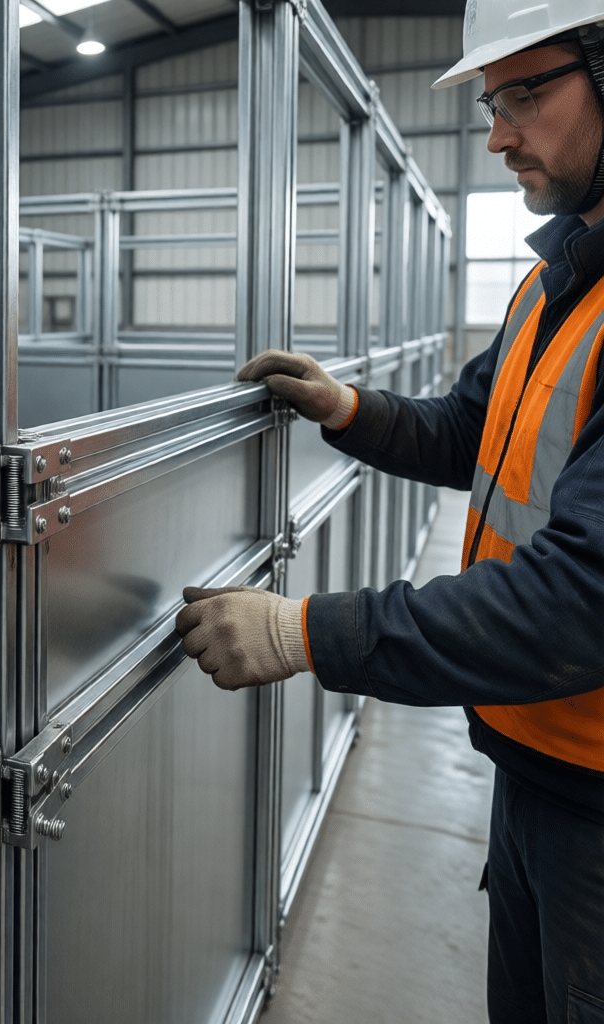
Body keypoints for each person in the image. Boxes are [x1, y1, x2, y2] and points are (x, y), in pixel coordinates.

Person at [176, 3, 604, 1022]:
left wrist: (302, 631)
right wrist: (347, 407)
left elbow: (581, 602)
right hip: (535, 754)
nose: (497, 133)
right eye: (494, 102)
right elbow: (473, 426)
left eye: (525, 93)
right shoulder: (556, 280)